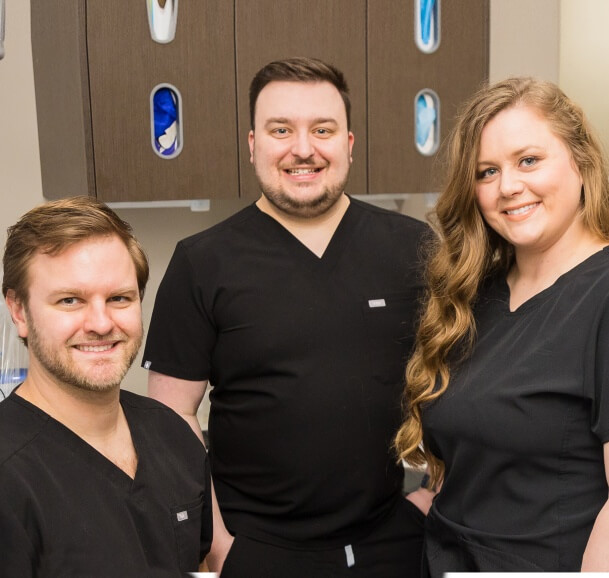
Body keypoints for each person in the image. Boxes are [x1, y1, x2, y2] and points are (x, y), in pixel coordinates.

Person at [143, 57, 431, 577]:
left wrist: (434, 495)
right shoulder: (202, 262)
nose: (303, 148)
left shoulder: (413, 249)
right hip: (257, 552)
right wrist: (218, 545)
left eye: (323, 129)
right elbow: (169, 419)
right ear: (254, 144)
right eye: (282, 130)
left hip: (393, 543)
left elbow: (460, 383)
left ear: (349, 142)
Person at [395, 77, 609, 573]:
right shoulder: (475, 295)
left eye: (528, 160)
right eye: (487, 171)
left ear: (580, 160)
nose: (508, 187)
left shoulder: (601, 296)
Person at [0, 197, 213, 577]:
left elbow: (197, 564)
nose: (100, 323)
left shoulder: (173, 437)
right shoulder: (12, 477)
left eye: (119, 298)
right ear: (19, 311)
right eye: (70, 300)